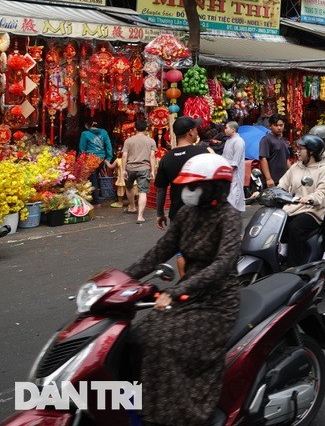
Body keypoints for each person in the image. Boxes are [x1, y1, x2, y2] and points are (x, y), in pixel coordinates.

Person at [123, 153, 241, 426]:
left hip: (217, 301)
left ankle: (179, 414)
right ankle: (142, 408)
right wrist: (122, 278)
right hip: (186, 293)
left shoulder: (229, 217)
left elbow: (223, 264)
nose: (186, 192)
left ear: (214, 187)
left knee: (163, 343)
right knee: (138, 335)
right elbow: (159, 252)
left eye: (193, 186)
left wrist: (179, 290)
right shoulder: (187, 214)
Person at [277, 134, 325, 265]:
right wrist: (274, 192)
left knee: (295, 227)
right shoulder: (296, 167)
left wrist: (310, 198)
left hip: (313, 210)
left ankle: (295, 265)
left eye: (301, 149)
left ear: (311, 151)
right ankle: (283, 250)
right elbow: (283, 184)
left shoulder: (323, 169)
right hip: (294, 207)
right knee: (278, 220)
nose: (297, 151)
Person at [154, 116, 207, 230]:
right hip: (201, 214)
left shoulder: (166, 158)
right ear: (190, 132)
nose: (197, 132)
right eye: (195, 129)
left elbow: (161, 190)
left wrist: (160, 213)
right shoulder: (202, 152)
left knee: (179, 247)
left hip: (177, 215)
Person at [122, 120, 157, 223]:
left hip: (130, 168)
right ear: (146, 128)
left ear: (135, 128)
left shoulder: (128, 141)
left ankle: (132, 207)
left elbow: (124, 156)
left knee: (129, 188)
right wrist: (153, 171)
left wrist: (123, 170)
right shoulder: (151, 141)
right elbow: (152, 156)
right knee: (142, 192)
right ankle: (140, 216)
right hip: (144, 168)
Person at [79, 119, 114, 205]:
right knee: (94, 179)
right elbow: (109, 146)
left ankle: (96, 201)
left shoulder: (85, 134)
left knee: (93, 179)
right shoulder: (104, 132)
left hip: (90, 159)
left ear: (87, 125)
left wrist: (80, 160)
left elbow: (82, 149)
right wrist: (108, 158)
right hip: (101, 159)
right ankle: (95, 198)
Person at [221, 121, 247, 212]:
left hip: (234, 173)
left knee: (234, 193)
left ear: (233, 129)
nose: (225, 130)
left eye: (226, 128)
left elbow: (235, 160)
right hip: (227, 171)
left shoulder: (239, 141)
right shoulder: (228, 140)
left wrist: (229, 171)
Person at [259, 114, 290, 188]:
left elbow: (287, 159)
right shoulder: (266, 139)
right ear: (270, 126)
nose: (279, 128)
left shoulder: (283, 140)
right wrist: (268, 179)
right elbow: (263, 159)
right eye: (276, 125)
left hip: (284, 180)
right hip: (273, 180)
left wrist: (291, 174)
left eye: (281, 125)